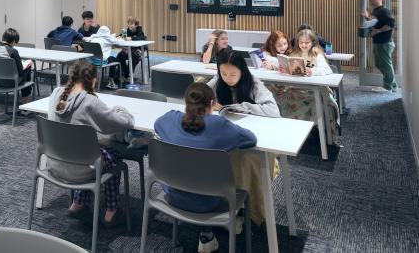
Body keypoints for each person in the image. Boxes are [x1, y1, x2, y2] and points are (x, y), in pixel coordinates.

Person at [154, 82, 257, 252]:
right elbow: (251, 140)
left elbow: (157, 126)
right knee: (230, 175)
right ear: (212, 103)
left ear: (185, 102)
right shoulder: (220, 125)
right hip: (209, 203)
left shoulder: (170, 119)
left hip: (173, 195)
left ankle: (207, 235)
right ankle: (231, 221)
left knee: (193, 174)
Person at [50, 61, 134, 226]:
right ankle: (111, 211)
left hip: (55, 162)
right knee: (114, 155)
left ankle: (78, 203)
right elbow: (122, 123)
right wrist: (120, 109)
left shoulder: (56, 94)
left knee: (89, 151)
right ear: (93, 80)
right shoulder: (90, 102)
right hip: (81, 169)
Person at [206, 50, 279, 225]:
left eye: (233, 74)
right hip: (228, 136)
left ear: (242, 71)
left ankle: (246, 208)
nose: (228, 78)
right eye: (223, 73)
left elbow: (273, 111)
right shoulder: (218, 80)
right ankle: (221, 201)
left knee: (242, 160)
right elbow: (198, 96)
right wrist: (208, 103)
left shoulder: (253, 83)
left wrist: (244, 107)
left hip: (254, 139)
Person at [287, 29, 340, 140]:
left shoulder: (317, 54)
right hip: (298, 88)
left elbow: (327, 70)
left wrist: (313, 71)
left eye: (307, 43)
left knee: (313, 101)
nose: (303, 45)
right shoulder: (295, 54)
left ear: (313, 42)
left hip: (315, 89)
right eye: (301, 43)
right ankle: (294, 128)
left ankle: (316, 127)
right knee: (286, 98)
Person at [361, 0, 397, 91]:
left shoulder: (384, 11)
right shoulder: (376, 11)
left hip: (384, 42)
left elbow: (391, 24)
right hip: (378, 42)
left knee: (385, 64)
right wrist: (368, 18)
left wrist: (377, 31)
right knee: (379, 64)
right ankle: (392, 85)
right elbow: (376, 23)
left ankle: (388, 87)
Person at [0, 28, 34, 105]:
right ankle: (25, 103)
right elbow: (21, 72)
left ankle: (25, 103)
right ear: (14, 41)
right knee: (28, 68)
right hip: (12, 82)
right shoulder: (13, 51)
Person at [114, 16, 146, 84]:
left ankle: (128, 74)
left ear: (136, 25)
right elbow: (119, 36)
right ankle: (123, 74)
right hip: (127, 50)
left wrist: (131, 38)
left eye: (131, 24)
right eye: (128, 23)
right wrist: (118, 37)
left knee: (134, 56)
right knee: (120, 56)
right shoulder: (126, 30)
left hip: (137, 50)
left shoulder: (139, 31)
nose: (129, 25)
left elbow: (141, 38)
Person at [89, 25, 122, 89]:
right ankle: (111, 81)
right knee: (115, 58)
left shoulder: (92, 38)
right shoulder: (108, 39)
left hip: (91, 61)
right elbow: (119, 41)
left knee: (110, 57)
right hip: (101, 61)